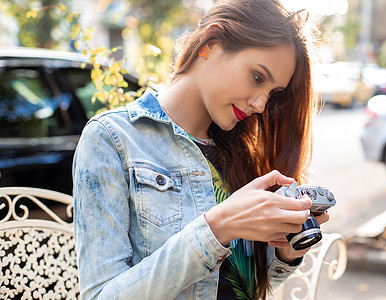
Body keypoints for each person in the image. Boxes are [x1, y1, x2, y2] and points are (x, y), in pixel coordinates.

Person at [73, 0, 329, 299]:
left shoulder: (240, 150)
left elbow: (246, 288)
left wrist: (284, 253)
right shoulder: (113, 138)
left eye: (272, 93)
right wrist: (217, 229)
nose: (260, 104)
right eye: (258, 77)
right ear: (211, 42)